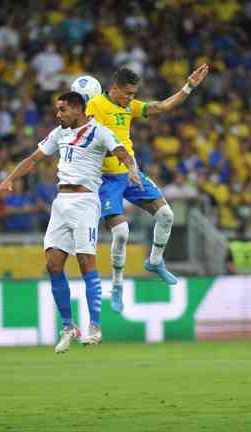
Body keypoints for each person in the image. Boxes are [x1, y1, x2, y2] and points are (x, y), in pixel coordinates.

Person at [0, 91, 141, 354]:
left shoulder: (99, 132)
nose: (58, 115)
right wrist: (9, 179)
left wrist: (132, 171)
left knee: (85, 262)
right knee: (52, 263)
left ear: (77, 109)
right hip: (61, 202)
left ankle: (95, 326)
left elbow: (121, 152)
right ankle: (69, 327)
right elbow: (34, 159)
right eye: (57, 110)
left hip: (85, 203)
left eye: (62, 110)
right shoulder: (59, 133)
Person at [86, 64, 209, 313]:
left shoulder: (129, 106)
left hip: (131, 174)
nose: (132, 99)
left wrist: (188, 86)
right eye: (128, 94)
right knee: (121, 234)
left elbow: (163, 106)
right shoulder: (96, 105)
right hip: (107, 178)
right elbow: (91, 138)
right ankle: (117, 285)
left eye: (134, 94)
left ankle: (155, 261)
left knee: (166, 215)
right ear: (115, 88)